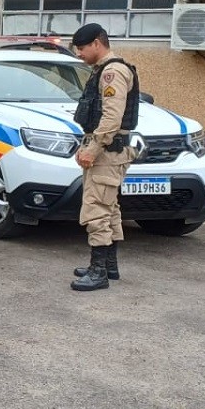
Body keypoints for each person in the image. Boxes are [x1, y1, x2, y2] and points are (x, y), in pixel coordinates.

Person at [69, 23, 140, 291]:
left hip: (107, 152)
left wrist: (93, 149)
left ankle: (98, 272)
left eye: (82, 48)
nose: (79, 54)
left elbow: (111, 118)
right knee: (109, 208)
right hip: (108, 150)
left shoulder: (112, 72)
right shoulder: (104, 70)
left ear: (97, 43)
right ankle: (108, 266)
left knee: (96, 209)